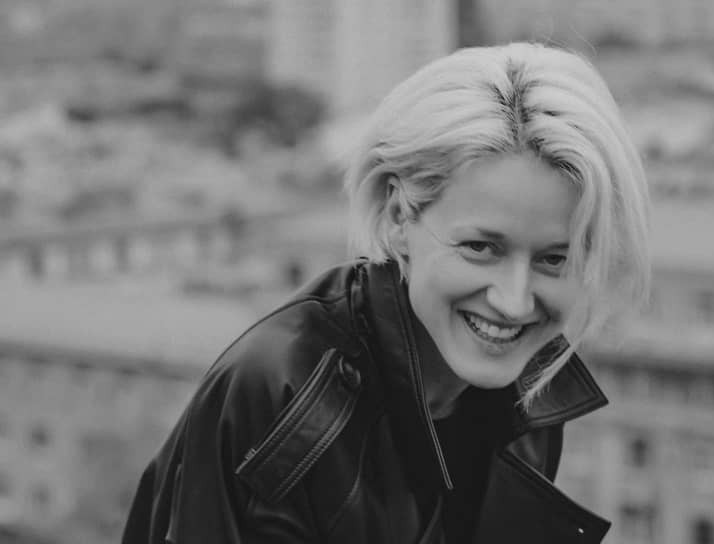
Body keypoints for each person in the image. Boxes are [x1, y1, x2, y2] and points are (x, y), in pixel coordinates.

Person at [122, 42, 651, 544]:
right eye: (480, 248)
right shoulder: (281, 400)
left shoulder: (527, 391)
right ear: (399, 217)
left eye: (553, 259)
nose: (514, 301)